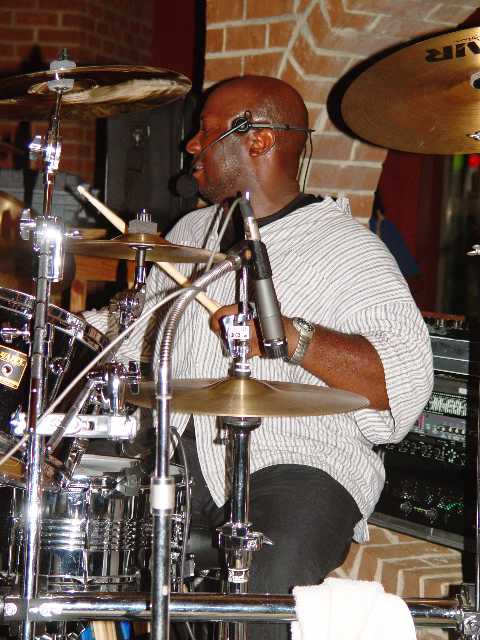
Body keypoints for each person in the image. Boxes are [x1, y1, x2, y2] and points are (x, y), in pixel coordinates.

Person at [84, 75, 433, 638]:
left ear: (260, 139)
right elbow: (136, 326)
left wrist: (289, 335)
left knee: (261, 592)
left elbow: (405, 380)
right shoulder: (193, 229)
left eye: (206, 131)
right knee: (95, 537)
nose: (191, 145)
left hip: (300, 461)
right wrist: (63, 331)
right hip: (181, 454)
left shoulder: (348, 249)